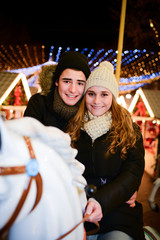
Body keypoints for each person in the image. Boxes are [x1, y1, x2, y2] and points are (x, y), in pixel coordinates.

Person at [66, 61, 145, 240]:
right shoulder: (73, 127)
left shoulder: (129, 130)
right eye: (91, 94)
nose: (97, 101)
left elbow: (133, 173)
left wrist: (101, 201)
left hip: (118, 215)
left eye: (104, 94)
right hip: (77, 214)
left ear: (113, 97)